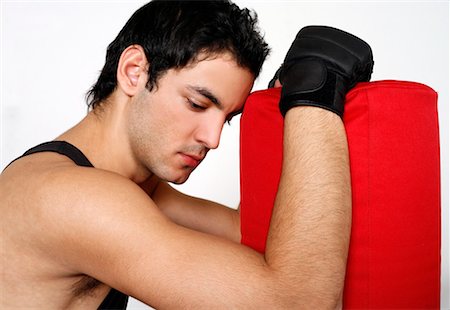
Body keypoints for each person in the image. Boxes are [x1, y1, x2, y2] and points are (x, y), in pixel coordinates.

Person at [0, 0, 373, 308]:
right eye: (197, 104)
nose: (213, 140)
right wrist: (314, 101)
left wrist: (282, 117)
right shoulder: (69, 197)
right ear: (134, 72)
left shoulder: (131, 189)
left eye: (227, 118)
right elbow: (294, 304)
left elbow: (251, 232)